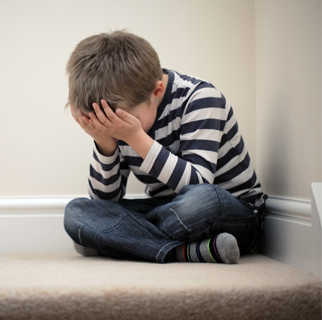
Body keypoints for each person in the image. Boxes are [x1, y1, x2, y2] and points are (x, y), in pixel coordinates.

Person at [64, 30, 266, 264]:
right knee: (77, 213)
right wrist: (104, 143)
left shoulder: (201, 97)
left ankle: (118, 242)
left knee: (203, 201)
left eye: (122, 121)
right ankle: (186, 252)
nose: (114, 128)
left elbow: (199, 184)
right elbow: (105, 202)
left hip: (230, 210)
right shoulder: (118, 121)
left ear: (157, 91)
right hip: (170, 210)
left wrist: (135, 137)